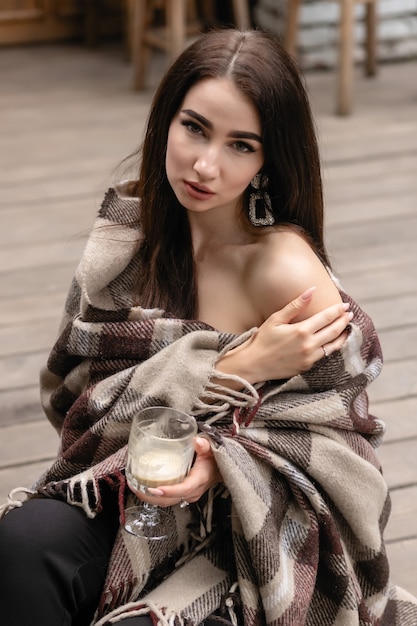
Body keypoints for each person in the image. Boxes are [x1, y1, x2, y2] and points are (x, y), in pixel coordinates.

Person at [0, 27, 416, 626]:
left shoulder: (285, 271)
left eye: (241, 145)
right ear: (165, 119)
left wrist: (223, 461)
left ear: (269, 158)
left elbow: (343, 453)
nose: (205, 164)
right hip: (134, 490)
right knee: (21, 548)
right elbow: (81, 406)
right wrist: (235, 366)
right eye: (194, 127)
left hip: (247, 533)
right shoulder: (128, 242)